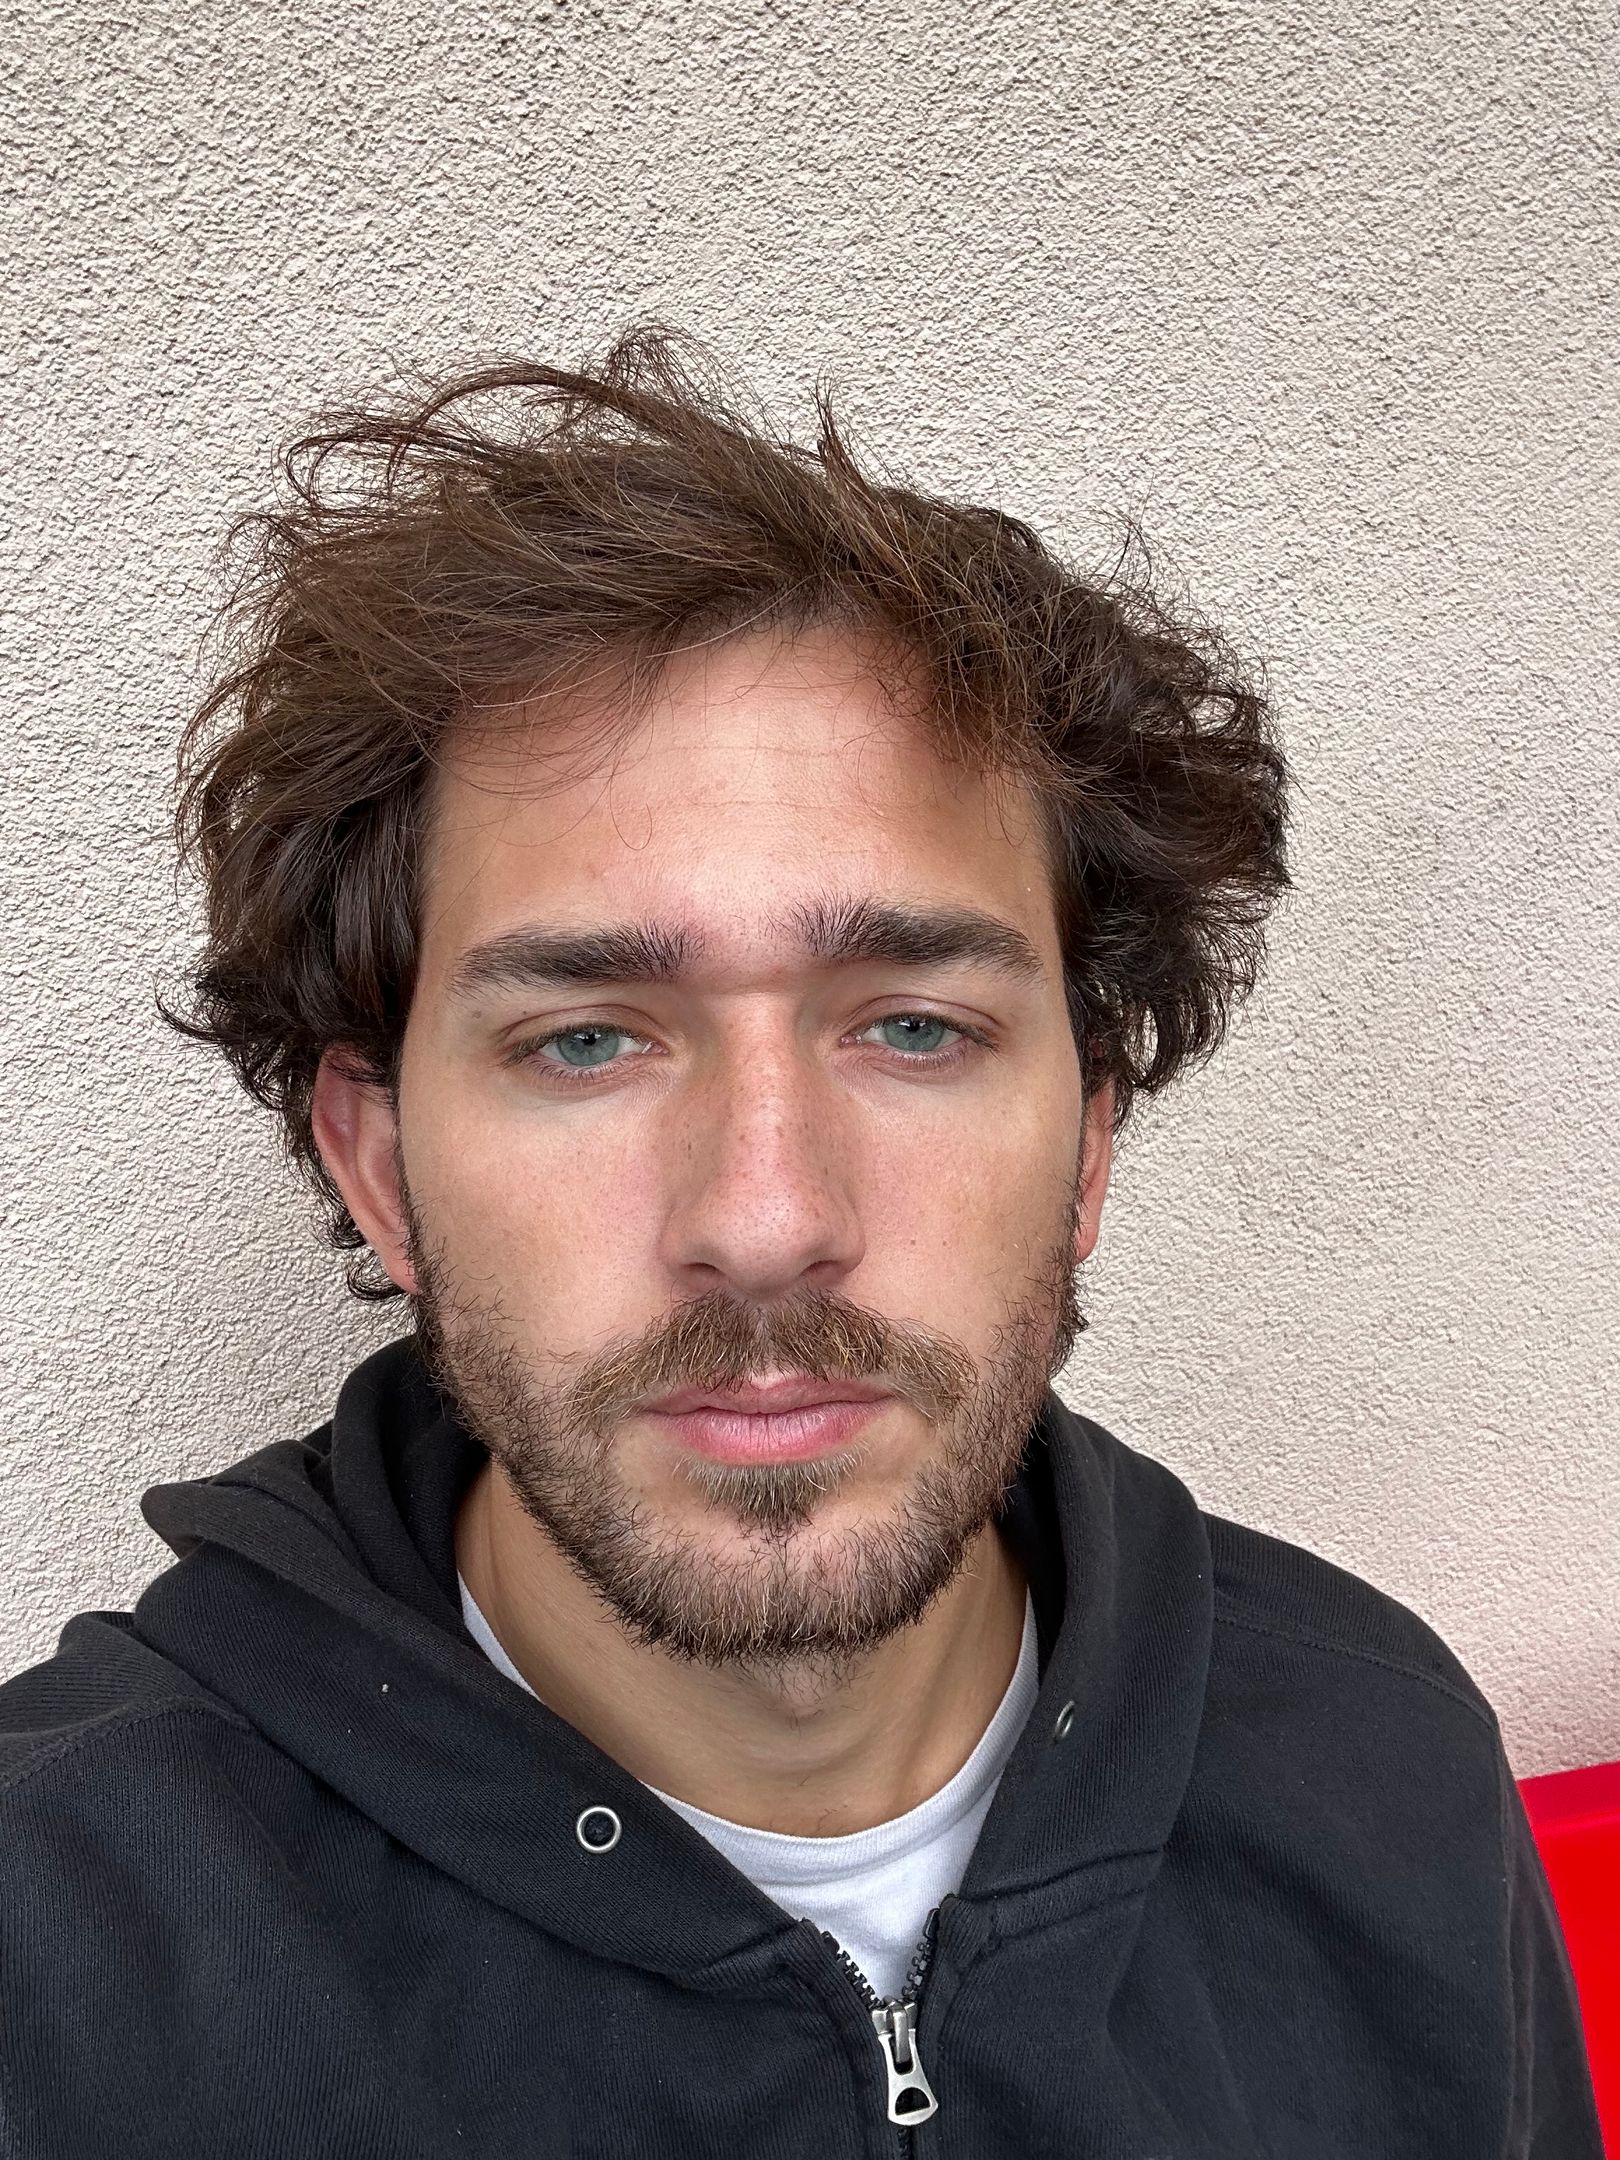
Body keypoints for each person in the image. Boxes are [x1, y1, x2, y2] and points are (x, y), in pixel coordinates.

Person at [0, 332, 1600, 2159]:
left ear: (1087, 1144)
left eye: (913, 1025)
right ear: (378, 1172)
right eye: (584, 1041)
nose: (765, 1222)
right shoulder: (53, 1955)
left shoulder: (1385, 1773)